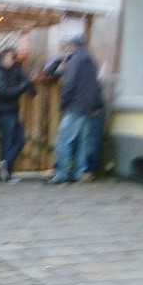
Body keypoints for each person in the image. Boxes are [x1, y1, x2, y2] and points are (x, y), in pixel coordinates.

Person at [49, 34, 100, 185]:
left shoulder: (76, 60)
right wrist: (95, 105)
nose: (66, 49)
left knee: (64, 140)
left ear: (73, 46)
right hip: (87, 108)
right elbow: (95, 86)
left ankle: (62, 173)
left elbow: (69, 83)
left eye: (68, 46)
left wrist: (63, 102)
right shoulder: (90, 60)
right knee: (83, 142)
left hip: (75, 106)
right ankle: (80, 172)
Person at [0, 46, 34, 182]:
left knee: (18, 140)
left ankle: (5, 164)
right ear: (3, 59)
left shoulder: (12, 71)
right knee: (9, 141)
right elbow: (4, 93)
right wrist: (23, 86)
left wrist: (26, 80)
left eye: (13, 58)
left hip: (11, 111)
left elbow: (30, 88)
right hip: (2, 112)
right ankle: (5, 170)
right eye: (10, 58)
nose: (12, 61)